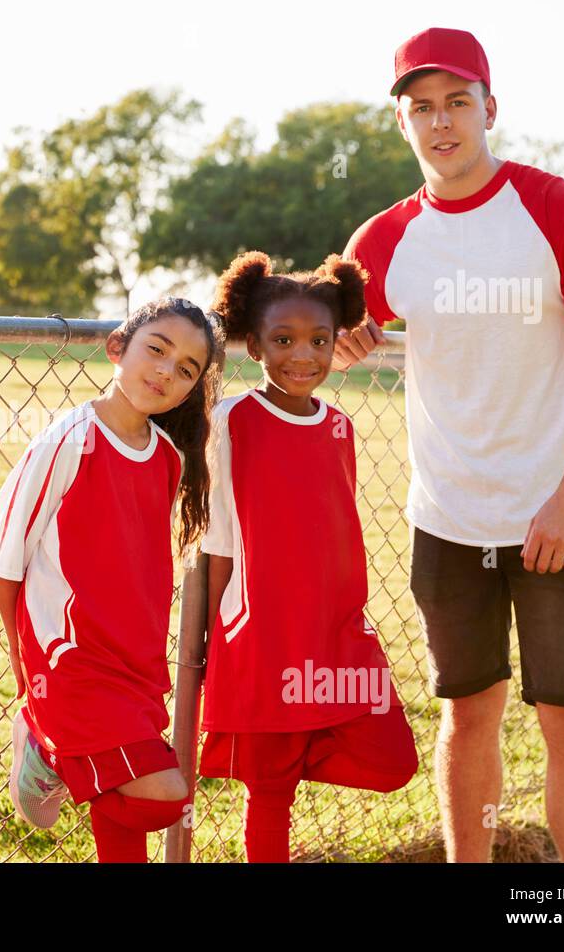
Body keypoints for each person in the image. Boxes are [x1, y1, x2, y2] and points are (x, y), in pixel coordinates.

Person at [337, 27, 564, 862]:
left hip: (560, 514)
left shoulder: (562, 212)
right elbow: (317, 341)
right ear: (402, 124)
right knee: (469, 713)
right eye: (422, 108)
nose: (442, 123)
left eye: (458, 103)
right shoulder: (382, 242)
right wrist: (341, 342)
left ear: (489, 109)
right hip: (447, 520)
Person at [200, 251, 418, 862]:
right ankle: (271, 761)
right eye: (284, 339)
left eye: (320, 340)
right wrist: (209, 637)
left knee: (392, 758)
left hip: (335, 634)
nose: (304, 355)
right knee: (271, 796)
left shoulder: (340, 425)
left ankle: (290, 750)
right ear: (254, 344)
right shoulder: (233, 418)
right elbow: (216, 535)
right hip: (264, 635)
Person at [0, 297, 223, 863]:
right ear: (118, 347)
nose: (168, 371)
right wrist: (28, 675)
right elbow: (6, 558)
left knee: (125, 811)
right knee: (165, 795)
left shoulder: (167, 457)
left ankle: (65, 761)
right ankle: (47, 749)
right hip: (69, 663)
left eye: (187, 368)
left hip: (133, 665)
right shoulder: (68, 440)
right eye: (158, 350)